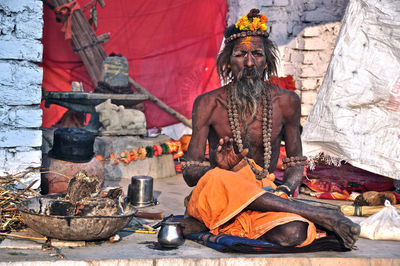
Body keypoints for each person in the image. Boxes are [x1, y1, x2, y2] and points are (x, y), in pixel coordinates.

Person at [180, 9, 360, 248]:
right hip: (222, 194)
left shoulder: (286, 102)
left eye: (257, 54)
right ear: (228, 61)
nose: (250, 62)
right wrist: (222, 168)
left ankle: (233, 222)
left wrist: (285, 188)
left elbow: (295, 162)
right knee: (218, 178)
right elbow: (190, 173)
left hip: (268, 196)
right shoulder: (207, 103)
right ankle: (322, 215)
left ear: (267, 61)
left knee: (294, 233)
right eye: (241, 54)